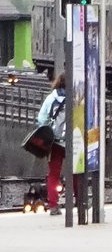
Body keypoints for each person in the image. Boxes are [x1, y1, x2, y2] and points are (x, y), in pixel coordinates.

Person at [36, 73, 68, 214]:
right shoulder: (77, 97)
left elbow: (41, 119)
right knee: (76, 172)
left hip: (55, 142)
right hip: (74, 140)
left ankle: (54, 205)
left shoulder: (51, 98)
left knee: (53, 174)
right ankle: (80, 200)